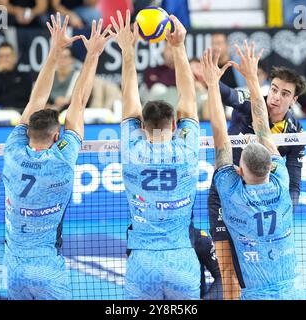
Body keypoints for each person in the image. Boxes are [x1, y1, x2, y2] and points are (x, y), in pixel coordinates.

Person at [2, 12, 111, 300]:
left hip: (13, 270)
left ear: (28, 133)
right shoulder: (62, 159)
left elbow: (34, 101)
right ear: (55, 137)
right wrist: (92, 55)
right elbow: (79, 101)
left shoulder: (12, 151)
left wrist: (55, 50)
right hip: (48, 269)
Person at [201, 42, 304, 299]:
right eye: (274, 89)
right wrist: (211, 79)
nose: (276, 97)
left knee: (255, 268)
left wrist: (278, 210)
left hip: (259, 204)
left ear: (294, 100)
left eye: (284, 93)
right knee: (227, 271)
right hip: (228, 193)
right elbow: (226, 95)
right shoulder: (249, 102)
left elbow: (293, 183)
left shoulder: (295, 132)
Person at [110, 10, 201, 300]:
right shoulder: (186, 148)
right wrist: (179, 47)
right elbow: (189, 102)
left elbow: (129, 102)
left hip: (142, 263)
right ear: (175, 126)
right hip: (182, 262)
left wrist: (128, 50)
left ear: (141, 126)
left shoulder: (132, 149)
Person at [0, 42, 33, 113]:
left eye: (7, 56)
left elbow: (27, 98)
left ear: (14, 58)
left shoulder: (24, 77)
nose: (4, 59)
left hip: (21, 113)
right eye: (1, 56)